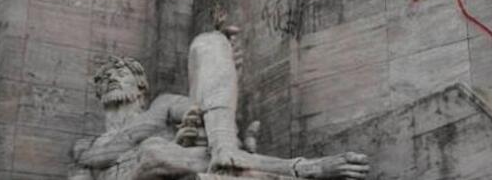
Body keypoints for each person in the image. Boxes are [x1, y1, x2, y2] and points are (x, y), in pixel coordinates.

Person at [70, 30, 369, 180]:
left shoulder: (161, 106)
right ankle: (302, 168)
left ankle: (228, 151)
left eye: (120, 74)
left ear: (140, 86)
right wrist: (169, 138)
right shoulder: (87, 144)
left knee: (209, 41)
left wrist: (223, 70)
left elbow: (196, 109)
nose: (111, 79)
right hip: (150, 164)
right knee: (151, 150)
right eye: (105, 78)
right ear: (98, 92)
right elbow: (99, 157)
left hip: (187, 156)